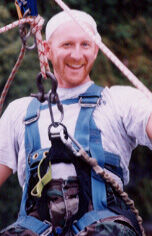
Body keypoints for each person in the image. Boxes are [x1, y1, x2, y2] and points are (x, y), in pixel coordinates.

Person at [0, 9, 152, 236]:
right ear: (47, 50)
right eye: (67, 45)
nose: (77, 55)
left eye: (85, 45)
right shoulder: (19, 111)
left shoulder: (119, 102)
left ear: (96, 51)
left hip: (106, 228)